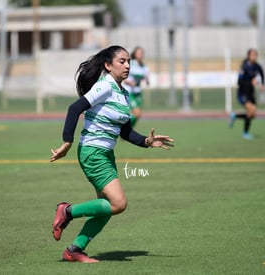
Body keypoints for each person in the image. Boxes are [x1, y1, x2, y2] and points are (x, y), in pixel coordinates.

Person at [49, 45, 174, 263]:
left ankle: (74, 250)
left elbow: (125, 132)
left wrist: (147, 141)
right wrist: (67, 142)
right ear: (108, 65)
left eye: (129, 62)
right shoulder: (105, 86)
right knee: (118, 204)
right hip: (93, 152)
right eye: (122, 61)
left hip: (105, 154)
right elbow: (74, 108)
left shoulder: (123, 94)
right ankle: (67, 211)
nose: (127, 66)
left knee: (105, 209)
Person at [229, 48, 265, 140]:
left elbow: (262, 73)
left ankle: (235, 116)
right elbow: (239, 82)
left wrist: (262, 84)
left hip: (250, 93)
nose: (254, 56)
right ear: (248, 56)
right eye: (252, 55)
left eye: (255, 55)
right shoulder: (244, 67)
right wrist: (250, 82)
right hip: (242, 93)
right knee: (251, 110)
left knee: (252, 114)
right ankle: (245, 133)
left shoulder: (257, 66)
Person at [122, 46, 150, 127]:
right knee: (137, 113)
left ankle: (127, 130)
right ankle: (126, 131)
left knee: (137, 115)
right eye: (139, 53)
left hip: (137, 92)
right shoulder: (130, 64)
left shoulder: (144, 67)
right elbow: (122, 76)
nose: (141, 55)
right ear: (135, 54)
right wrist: (128, 82)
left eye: (142, 53)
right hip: (129, 91)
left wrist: (147, 80)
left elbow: (147, 80)